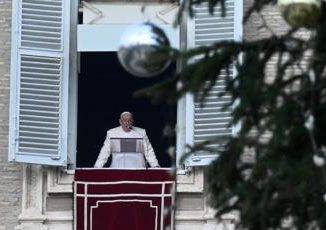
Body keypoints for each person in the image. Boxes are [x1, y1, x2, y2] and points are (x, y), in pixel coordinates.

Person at [94, 111, 160, 168]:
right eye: (124, 120)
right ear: (120, 121)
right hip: (118, 168)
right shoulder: (111, 133)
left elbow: (149, 151)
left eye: (129, 120)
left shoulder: (141, 132)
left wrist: (155, 165)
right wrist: (97, 166)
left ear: (132, 121)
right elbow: (105, 152)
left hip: (138, 168)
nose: (127, 122)